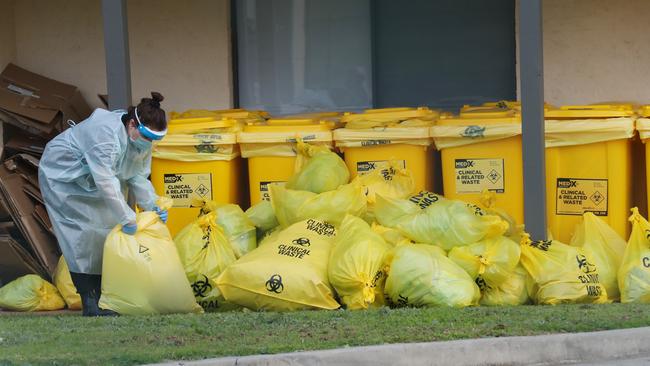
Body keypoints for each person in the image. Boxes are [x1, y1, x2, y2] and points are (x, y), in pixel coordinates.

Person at [39, 92, 169, 316]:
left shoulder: (139, 140)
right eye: (147, 136)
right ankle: (90, 303)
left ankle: (103, 300)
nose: (150, 144)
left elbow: (138, 176)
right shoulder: (105, 134)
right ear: (132, 124)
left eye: (155, 139)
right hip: (64, 178)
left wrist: (152, 204)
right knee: (82, 237)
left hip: (94, 181)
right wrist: (127, 216)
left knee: (107, 234)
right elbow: (106, 183)